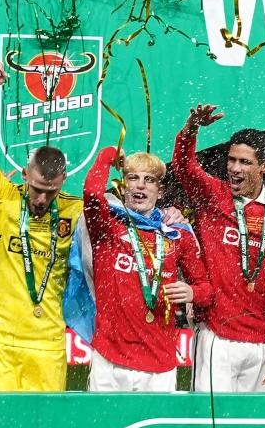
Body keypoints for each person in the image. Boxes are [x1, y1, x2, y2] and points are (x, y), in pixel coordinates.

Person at [172, 104, 265, 392]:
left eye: (244, 162)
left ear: (264, 166)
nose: (234, 168)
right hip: (216, 335)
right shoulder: (213, 194)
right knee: (211, 418)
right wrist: (191, 129)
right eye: (231, 160)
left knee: (256, 418)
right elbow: (183, 166)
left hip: (263, 337)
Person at [0, 59, 82, 391]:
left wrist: (170, 214)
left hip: (47, 344)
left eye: (50, 191)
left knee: (45, 425)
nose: (42, 199)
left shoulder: (76, 211)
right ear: (26, 174)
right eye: (37, 189)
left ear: (63, 180)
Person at [80, 147, 214, 391]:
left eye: (149, 180)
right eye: (133, 178)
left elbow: (206, 290)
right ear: (123, 187)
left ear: (160, 191)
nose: (140, 185)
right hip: (109, 359)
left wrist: (192, 293)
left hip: (160, 362)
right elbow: (91, 193)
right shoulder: (107, 227)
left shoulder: (177, 235)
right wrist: (108, 155)